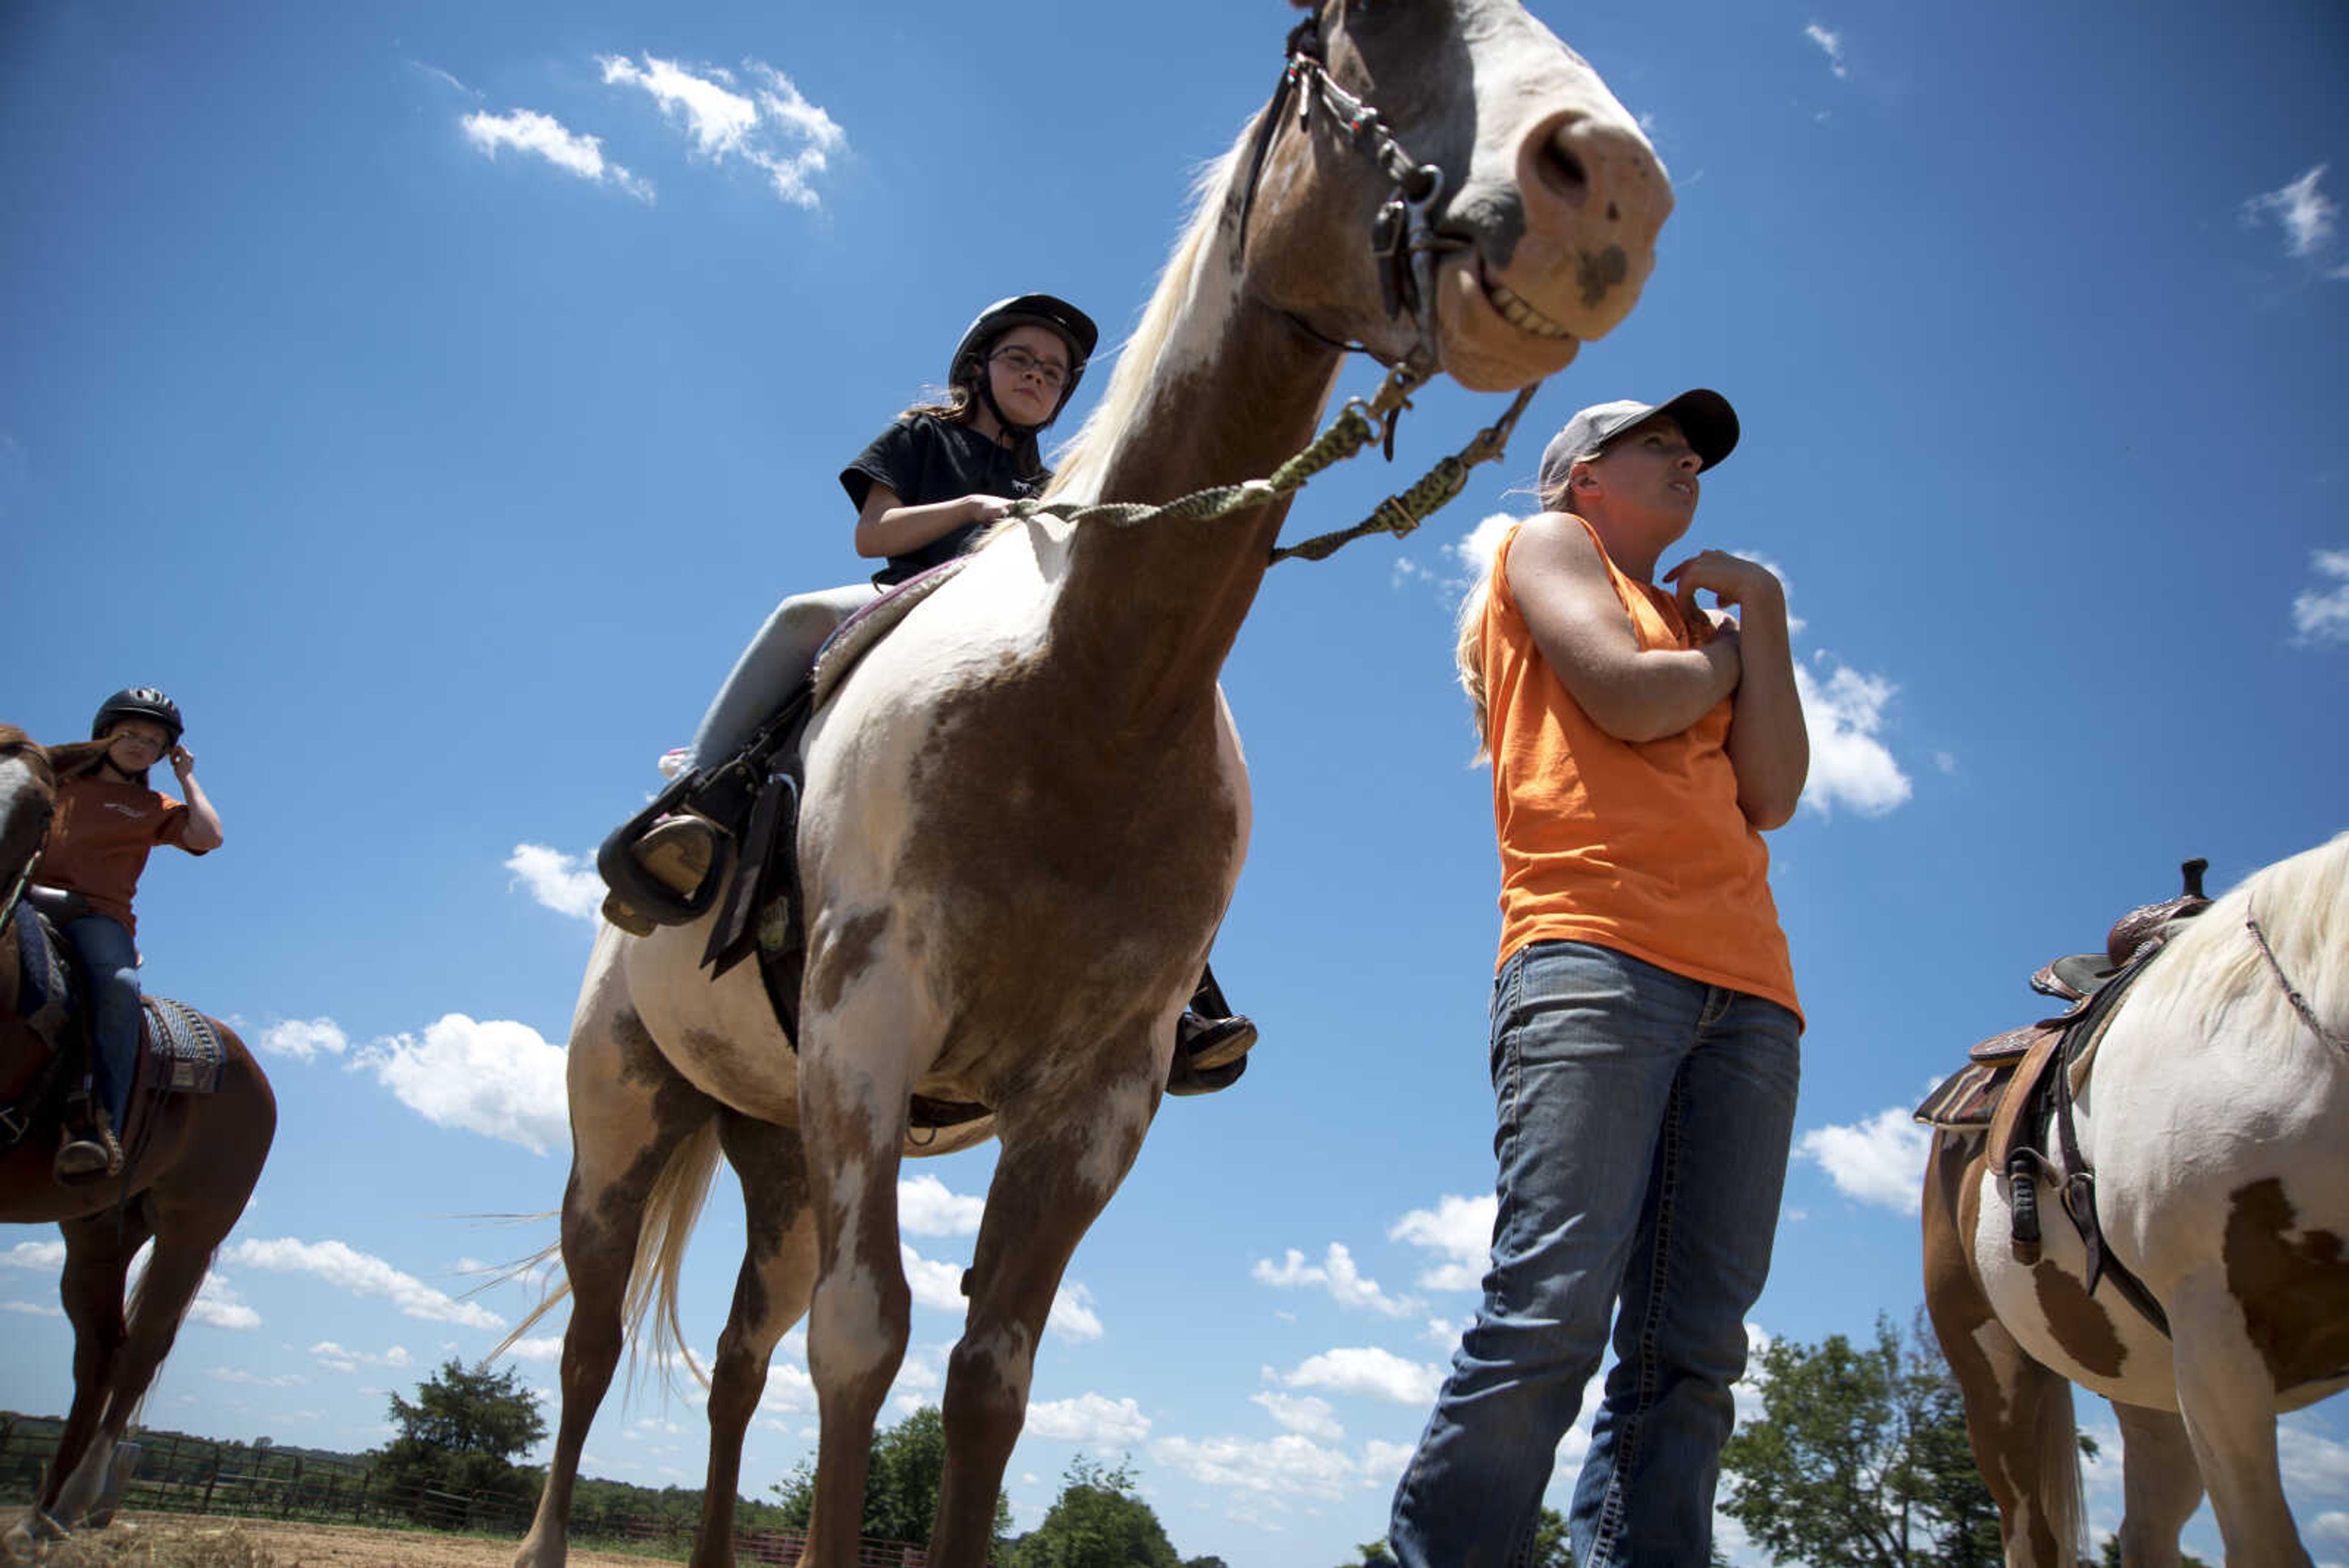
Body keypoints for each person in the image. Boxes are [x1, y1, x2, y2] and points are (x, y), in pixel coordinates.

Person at [603, 294, 1255, 1080]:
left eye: (1054, 373)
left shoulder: (1054, 480)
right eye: (1023, 360)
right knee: (799, 614)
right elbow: (872, 535)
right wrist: (978, 508)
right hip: (912, 595)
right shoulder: (924, 436)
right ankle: (693, 809)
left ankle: (1179, 992)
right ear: (980, 368)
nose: (1039, 378)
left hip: (1009, 632)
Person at [1387, 391, 1807, 1567]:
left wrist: (1762, 616)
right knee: (1550, 1310)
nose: (1687, 462)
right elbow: (1627, 699)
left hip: (1751, 988)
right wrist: (1728, 651)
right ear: (1585, 477)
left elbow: (1773, 792)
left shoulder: (1700, 619)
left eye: (1698, 454)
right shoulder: (1549, 546)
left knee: (1697, 1346)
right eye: (1658, 446)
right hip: (1595, 951)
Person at [36, 688, 225, 1181]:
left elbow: (207, 836)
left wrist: (187, 778)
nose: (141, 745)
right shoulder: (54, 782)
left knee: (119, 987)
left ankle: (97, 1127)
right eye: (131, 734)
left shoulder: (151, 805)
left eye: (154, 741)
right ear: (104, 735)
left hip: (95, 917)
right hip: (24, 897)